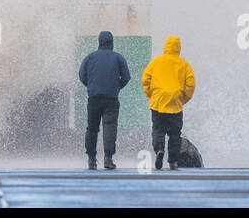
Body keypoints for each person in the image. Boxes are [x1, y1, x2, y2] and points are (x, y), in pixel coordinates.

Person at [77, 30, 131, 170]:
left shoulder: (90, 57)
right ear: (111, 42)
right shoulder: (118, 58)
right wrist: (117, 87)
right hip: (111, 99)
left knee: (92, 128)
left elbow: (82, 75)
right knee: (110, 127)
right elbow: (126, 77)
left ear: (99, 42)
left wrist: (91, 86)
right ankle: (108, 159)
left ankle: (91, 159)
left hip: (94, 98)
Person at [141, 35, 195, 170]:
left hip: (158, 102)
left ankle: (159, 149)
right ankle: (172, 161)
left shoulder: (156, 62)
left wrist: (150, 94)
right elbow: (190, 85)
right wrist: (183, 100)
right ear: (179, 48)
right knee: (175, 133)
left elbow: (145, 79)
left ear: (165, 47)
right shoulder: (184, 65)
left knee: (158, 129)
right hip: (175, 104)